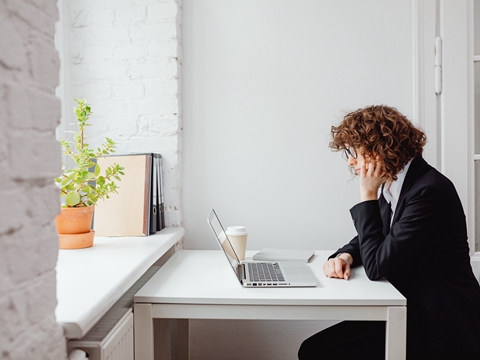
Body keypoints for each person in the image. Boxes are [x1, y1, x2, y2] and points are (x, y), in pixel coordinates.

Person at [298, 105, 480, 360]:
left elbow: (376, 265)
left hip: (441, 324)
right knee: (311, 349)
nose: (351, 161)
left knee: (318, 354)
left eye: (354, 152)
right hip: (410, 308)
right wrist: (345, 256)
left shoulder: (427, 191)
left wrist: (367, 196)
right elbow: (378, 236)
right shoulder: (397, 182)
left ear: (379, 149)